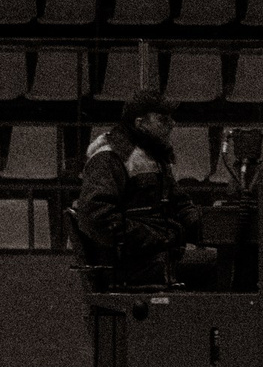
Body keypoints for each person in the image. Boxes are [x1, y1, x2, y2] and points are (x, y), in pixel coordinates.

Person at [74, 88, 202, 288]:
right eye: (162, 119)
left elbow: (180, 203)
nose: (172, 124)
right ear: (140, 123)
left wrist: (205, 228)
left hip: (154, 256)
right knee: (220, 268)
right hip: (131, 266)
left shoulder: (153, 156)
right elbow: (96, 218)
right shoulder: (109, 158)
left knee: (223, 261)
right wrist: (162, 237)